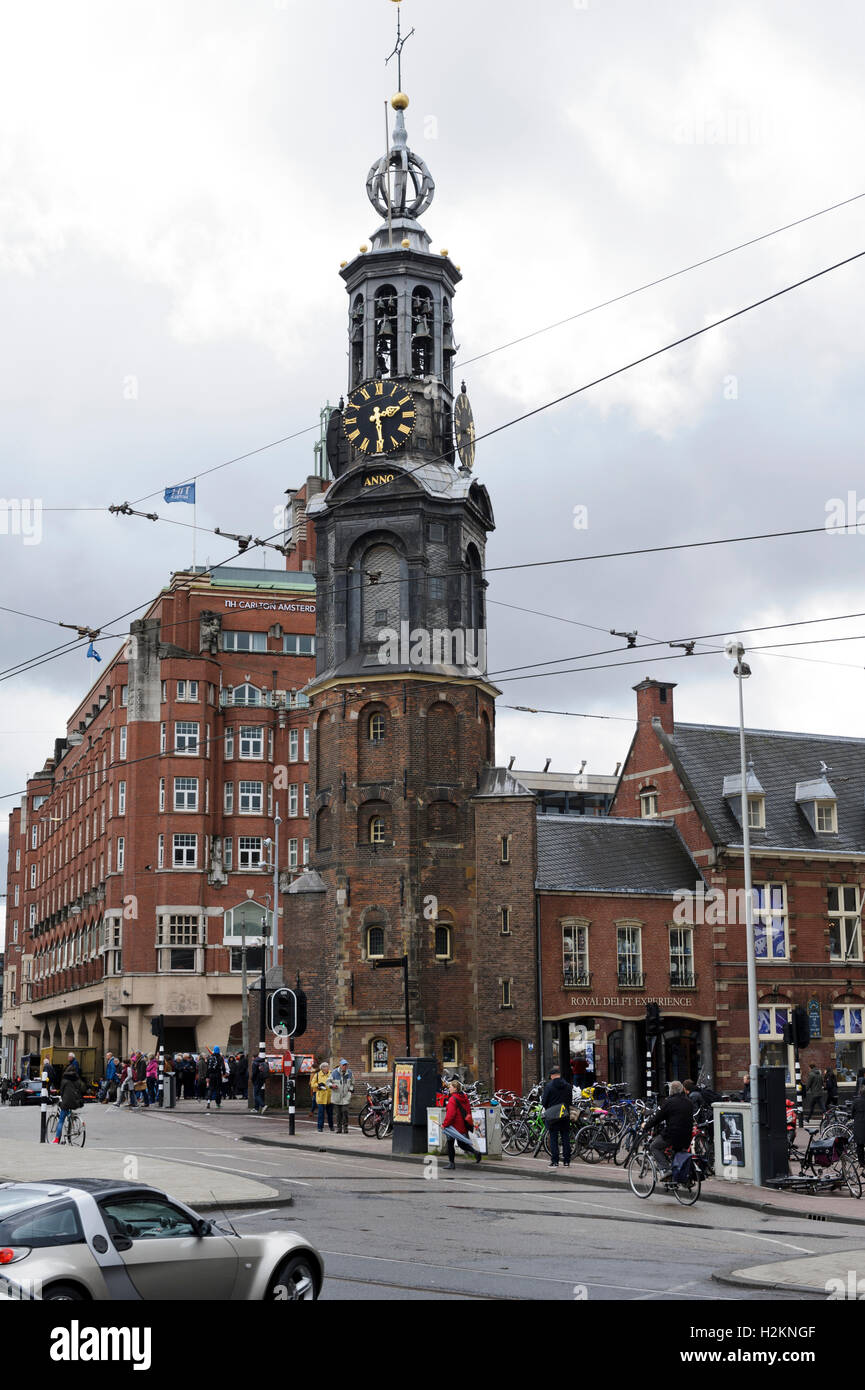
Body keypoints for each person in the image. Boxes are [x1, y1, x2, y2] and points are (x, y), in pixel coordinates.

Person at [643, 1079, 694, 1179]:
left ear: (671, 1090)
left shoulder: (669, 1102)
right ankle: (676, 1178)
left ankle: (666, 1169)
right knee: (677, 1152)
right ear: (681, 1090)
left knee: (654, 1146)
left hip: (673, 1134)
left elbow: (657, 1118)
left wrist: (646, 1126)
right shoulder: (689, 1102)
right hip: (687, 1136)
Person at [442, 1080, 481, 1169]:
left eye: (450, 1087)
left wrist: (445, 1124)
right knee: (462, 1144)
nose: (449, 1088)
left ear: (455, 1088)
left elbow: (450, 1114)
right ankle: (476, 1152)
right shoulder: (464, 1097)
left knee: (450, 1143)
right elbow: (468, 1110)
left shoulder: (452, 1099)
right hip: (463, 1124)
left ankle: (451, 1164)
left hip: (453, 1125)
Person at [542, 1066, 573, 1168]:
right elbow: (570, 1101)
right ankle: (567, 1161)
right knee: (565, 1138)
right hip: (564, 1114)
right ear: (559, 1075)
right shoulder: (568, 1086)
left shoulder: (549, 1086)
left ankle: (555, 1161)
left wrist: (550, 1108)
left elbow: (544, 1102)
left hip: (552, 1116)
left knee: (554, 1139)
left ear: (552, 1076)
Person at [53, 1060, 84, 1143]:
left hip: (66, 1102)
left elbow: (62, 1092)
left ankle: (56, 1139)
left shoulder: (64, 1080)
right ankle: (70, 1135)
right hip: (75, 1102)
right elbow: (81, 1089)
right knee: (69, 1113)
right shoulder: (77, 1080)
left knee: (61, 1121)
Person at [329, 1059, 355, 1134]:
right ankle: (339, 1128)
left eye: (346, 1065)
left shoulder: (350, 1072)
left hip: (346, 1096)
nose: (345, 1066)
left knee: (345, 1112)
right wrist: (332, 1085)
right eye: (343, 1065)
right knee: (338, 1114)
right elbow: (328, 1082)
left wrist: (350, 1090)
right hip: (336, 1096)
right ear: (340, 1065)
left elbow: (353, 1083)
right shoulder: (334, 1073)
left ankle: (345, 1127)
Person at [312, 1062, 334, 1132]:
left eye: (327, 1067)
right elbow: (312, 1084)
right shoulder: (317, 1075)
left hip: (329, 1097)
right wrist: (318, 1085)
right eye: (325, 1067)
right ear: (322, 1068)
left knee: (330, 1113)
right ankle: (320, 1127)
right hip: (321, 1097)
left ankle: (331, 1126)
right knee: (321, 1113)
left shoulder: (331, 1074)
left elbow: (335, 1082)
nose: (326, 1068)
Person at [851, 1084, 865, 1168]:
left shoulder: (856, 1101)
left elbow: (852, 1113)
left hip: (859, 1125)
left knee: (859, 1145)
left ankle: (862, 1162)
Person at [206, 1046, 224, 1111]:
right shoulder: (220, 1058)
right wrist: (224, 1073)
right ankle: (218, 1103)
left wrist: (207, 1076)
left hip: (211, 1075)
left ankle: (208, 1101)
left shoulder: (210, 1058)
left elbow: (207, 1068)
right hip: (218, 1075)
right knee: (218, 1090)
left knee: (210, 1088)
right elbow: (223, 1067)